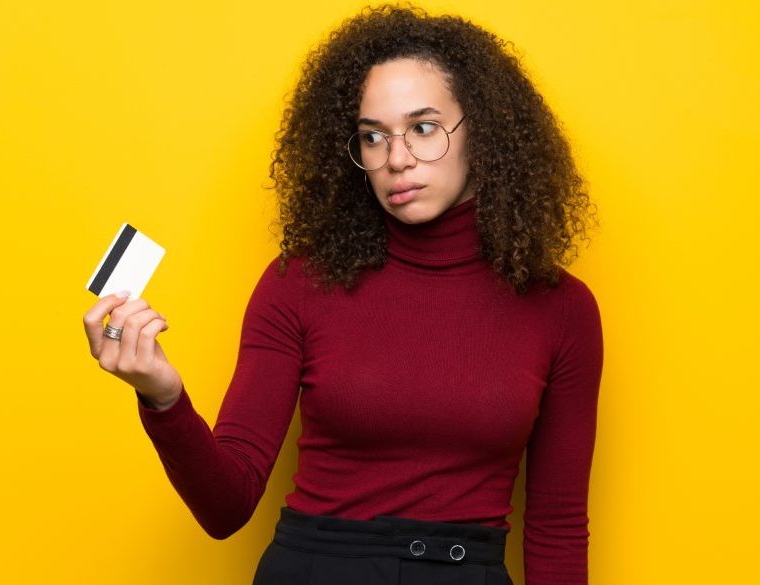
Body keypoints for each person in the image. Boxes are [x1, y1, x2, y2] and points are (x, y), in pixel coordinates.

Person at [82, 3, 603, 584]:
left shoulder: (562, 309)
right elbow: (226, 508)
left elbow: (556, 524)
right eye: (372, 137)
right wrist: (162, 397)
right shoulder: (299, 284)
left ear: (481, 128)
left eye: (423, 128)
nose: (396, 159)